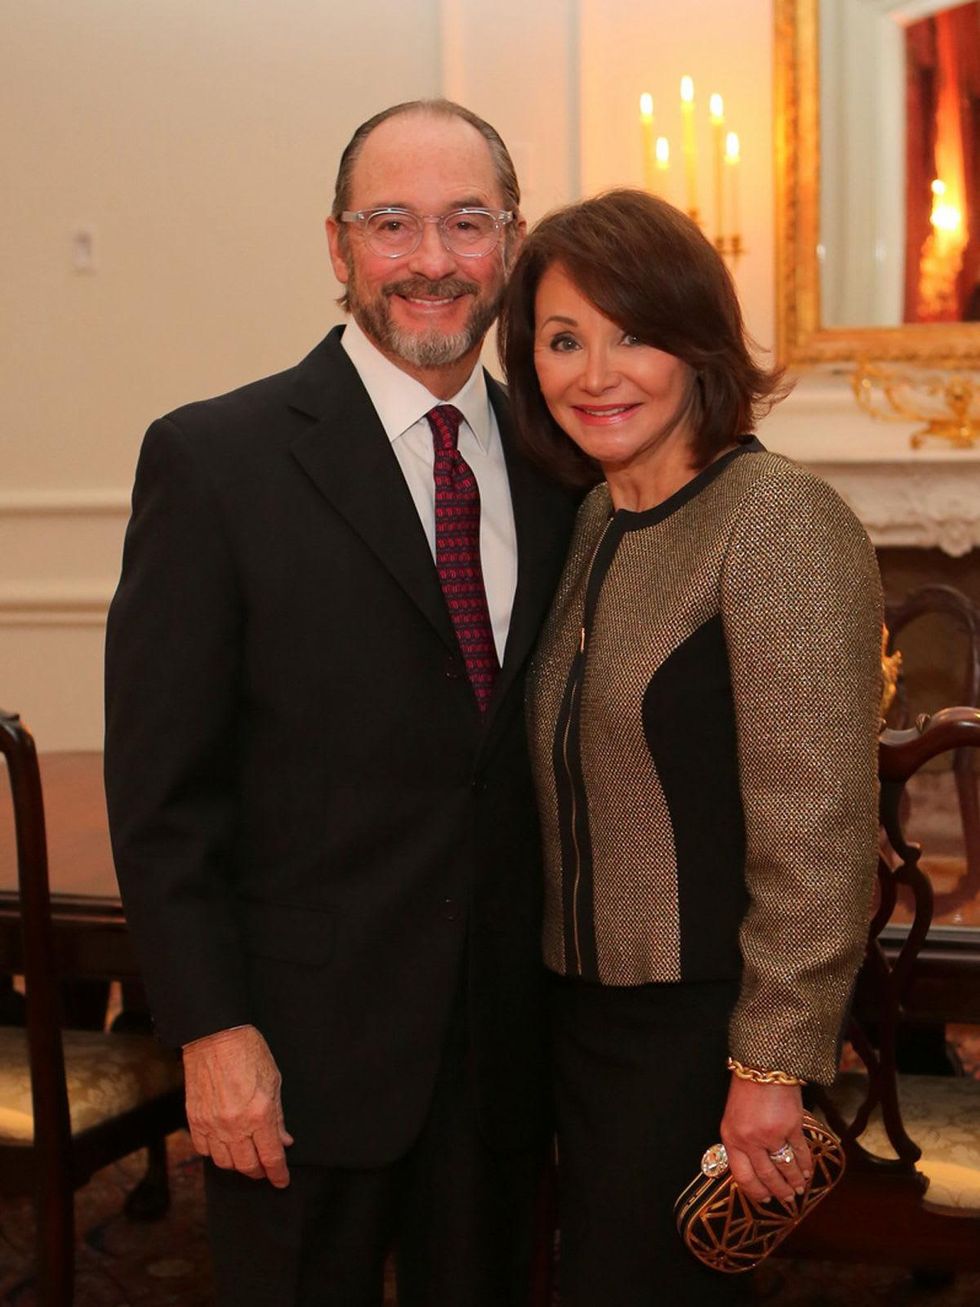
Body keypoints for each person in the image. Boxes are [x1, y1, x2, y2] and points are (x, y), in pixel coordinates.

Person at [104, 99, 575, 1307]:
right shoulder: (217, 461)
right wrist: (211, 1033)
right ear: (336, 247)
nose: (431, 259)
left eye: (466, 222)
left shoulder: (564, 461)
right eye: (392, 223)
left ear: (509, 244)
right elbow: (164, 795)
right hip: (295, 1062)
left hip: (504, 1060)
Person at [498, 189, 882, 1306]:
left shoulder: (776, 520)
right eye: (563, 340)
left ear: (696, 342)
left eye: (633, 334)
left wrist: (770, 1064)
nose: (594, 372)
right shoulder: (590, 518)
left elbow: (819, 828)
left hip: (700, 1035)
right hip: (577, 1013)